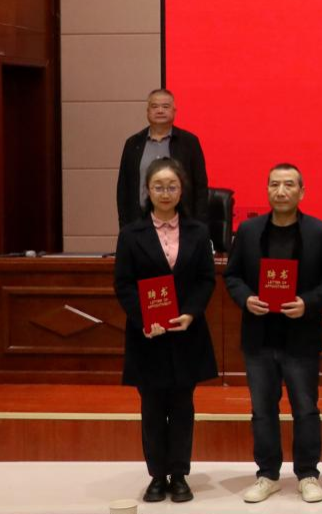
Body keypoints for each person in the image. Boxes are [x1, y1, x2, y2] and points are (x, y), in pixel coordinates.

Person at [223, 164, 322, 504]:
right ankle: (268, 475)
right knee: (262, 410)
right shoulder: (248, 231)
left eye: (289, 185)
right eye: (274, 184)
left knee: (305, 408)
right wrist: (246, 298)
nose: (281, 191)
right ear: (267, 190)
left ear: (302, 192)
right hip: (259, 337)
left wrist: (307, 302)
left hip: (301, 336)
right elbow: (232, 276)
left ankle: (308, 474)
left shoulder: (319, 231)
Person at [112, 157, 217, 504]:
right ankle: (157, 475)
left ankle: (180, 474)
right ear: (148, 190)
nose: (165, 192)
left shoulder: (198, 231)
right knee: (153, 407)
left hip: (186, 332)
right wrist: (144, 319)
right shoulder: (131, 234)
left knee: (183, 406)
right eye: (158, 186)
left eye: (172, 186)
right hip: (148, 335)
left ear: (181, 190)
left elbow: (206, 279)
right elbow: (123, 284)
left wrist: (190, 313)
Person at [116, 88, 209, 228]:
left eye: (165, 106)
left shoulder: (189, 142)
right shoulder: (133, 144)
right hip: (140, 223)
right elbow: (123, 189)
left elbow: (200, 187)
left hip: (181, 223)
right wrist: (125, 227)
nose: (160, 111)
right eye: (155, 107)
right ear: (148, 111)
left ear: (174, 111)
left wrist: (198, 227)